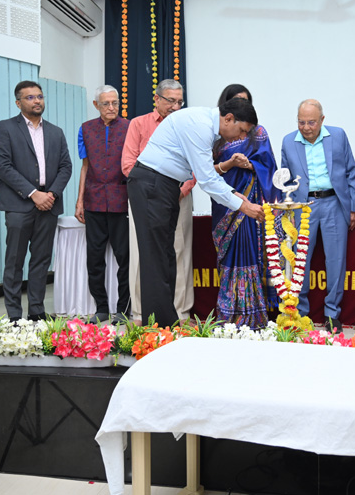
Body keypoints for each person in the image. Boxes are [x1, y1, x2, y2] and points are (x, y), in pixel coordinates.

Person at [128, 97, 264, 326]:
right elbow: (207, 180)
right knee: (155, 257)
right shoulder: (199, 125)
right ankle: (158, 326)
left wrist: (234, 194)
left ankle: (165, 322)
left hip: (164, 185)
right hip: (152, 184)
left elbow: (207, 174)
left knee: (166, 256)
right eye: (242, 130)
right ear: (228, 118)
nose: (241, 138)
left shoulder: (206, 126)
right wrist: (244, 207)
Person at [0, 80, 72, 321]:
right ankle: (15, 317)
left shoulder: (56, 132)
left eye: (39, 96)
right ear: (18, 103)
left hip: (49, 204)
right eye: (30, 97)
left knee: (41, 261)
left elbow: (66, 166)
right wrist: (33, 193)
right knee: (15, 261)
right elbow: (2, 166)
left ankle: (37, 312)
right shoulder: (5, 128)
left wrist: (52, 194)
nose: (37, 101)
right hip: (19, 204)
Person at [280, 99, 355, 332]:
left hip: (334, 202)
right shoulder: (288, 141)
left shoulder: (338, 135)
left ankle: (332, 314)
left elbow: (351, 172)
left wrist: (353, 207)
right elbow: (285, 178)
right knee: (300, 259)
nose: (306, 128)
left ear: (322, 120)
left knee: (336, 260)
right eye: (301, 122)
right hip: (304, 206)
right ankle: (300, 313)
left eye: (311, 122)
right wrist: (287, 208)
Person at [122, 79, 196, 322]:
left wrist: (181, 190)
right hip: (146, 196)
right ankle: (141, 312)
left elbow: (195, 164)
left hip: (179, 195)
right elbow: (128, 164)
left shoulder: (186, 125)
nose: (175, 106)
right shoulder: (138, 124)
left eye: (180, 102)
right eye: (170, 101)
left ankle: (180, 311)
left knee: (178, 252)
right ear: (157, 99)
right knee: (143, 253)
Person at [211, 84, 280, 328]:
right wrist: (230, 163)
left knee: (252, 252)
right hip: (226, 206)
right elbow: (207, 172)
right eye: (237, 101)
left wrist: (250, 165)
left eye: (246, 101)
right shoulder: (216, 136)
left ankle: (254, 314)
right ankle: (229, 314)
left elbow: (270, 166)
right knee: (231, 254)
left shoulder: (257, 132)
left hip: (252, 204)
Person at [75, 85, 130, 322]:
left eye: (115, 103)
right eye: (106, 103)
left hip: (121, 201)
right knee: (95, 259)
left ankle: (123, 309)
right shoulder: (86, 129)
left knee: (125, 258)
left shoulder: (129, 127)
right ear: (96, 105)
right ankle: (101, 308)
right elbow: (85, 166)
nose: (111, 107)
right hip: (94, 201)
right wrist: (79, 201)